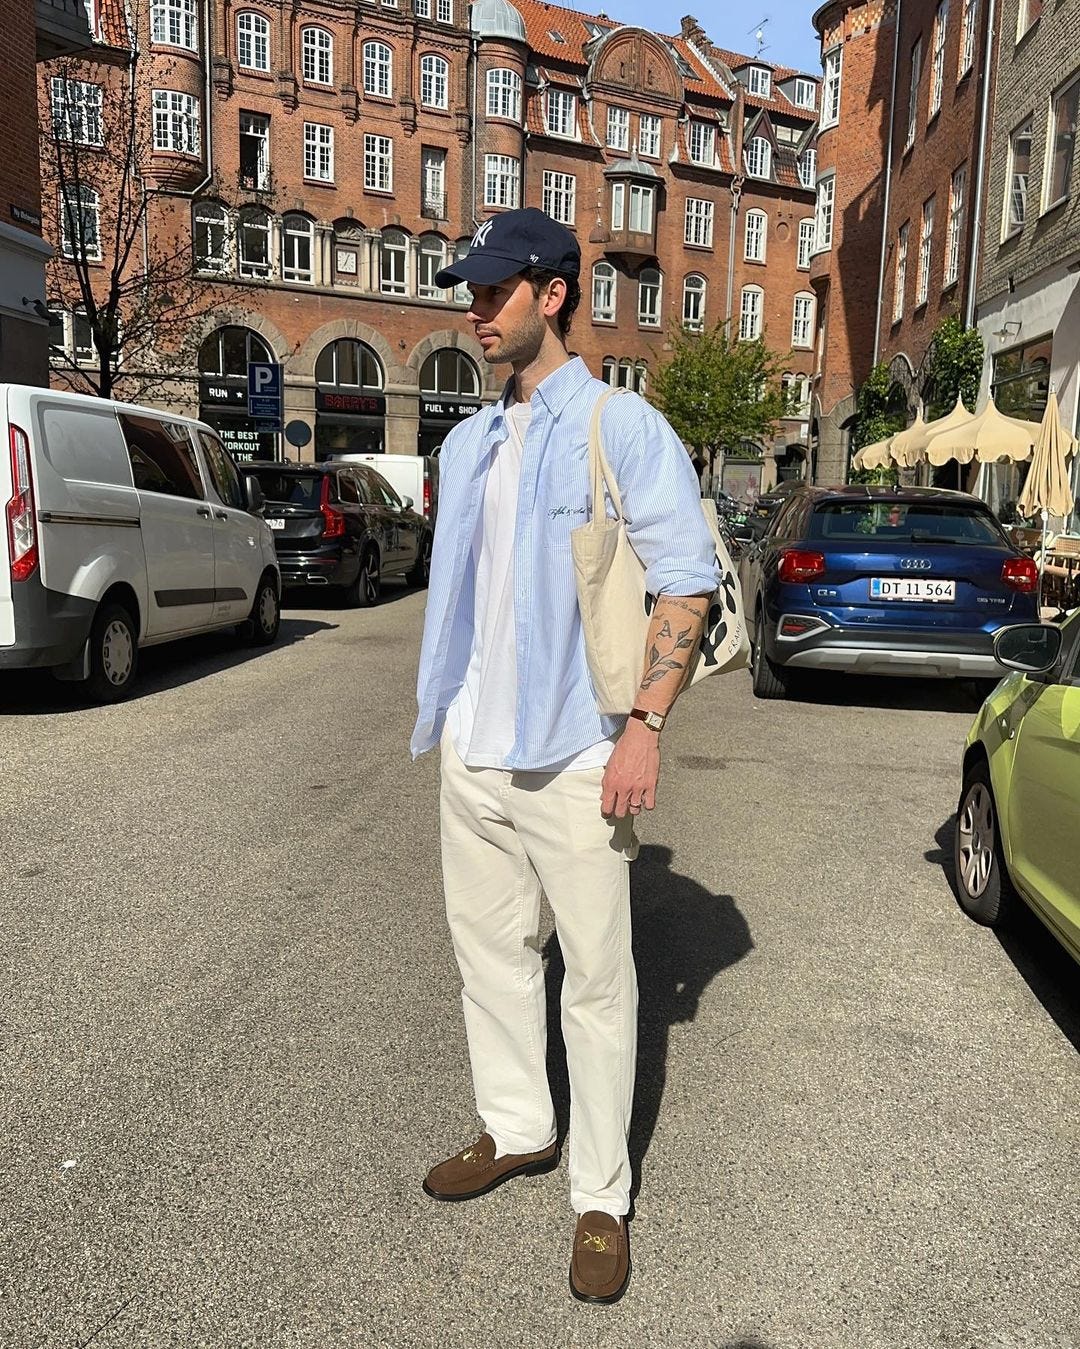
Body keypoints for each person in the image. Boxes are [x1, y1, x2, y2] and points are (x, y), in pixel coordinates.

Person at [411, 208, 719, 1305]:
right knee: (489, 954)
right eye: (470, 291)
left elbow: (687, 580)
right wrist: (445, 720)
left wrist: (644, 724)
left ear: (551, 293)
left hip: (579, 751)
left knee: (598, 980)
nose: (474, 310)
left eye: (493, 291)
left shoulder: (620, 429)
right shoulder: (467, 439)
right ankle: (516, 1124)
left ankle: (600, 1193)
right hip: (475, 748)